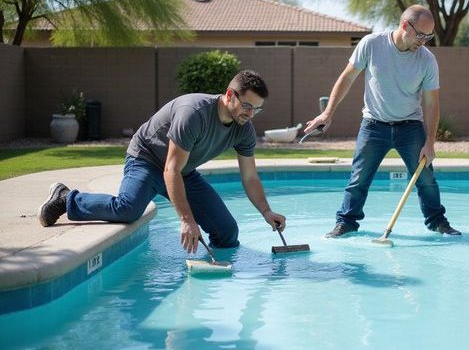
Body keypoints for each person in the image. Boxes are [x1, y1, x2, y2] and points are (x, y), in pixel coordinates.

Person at [37, 70, 286, 254]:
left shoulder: (244, 128)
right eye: (246, 106)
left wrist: (266, 211)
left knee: (227, 231)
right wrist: (187, 220)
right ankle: (66, 198)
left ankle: (216, 270)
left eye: (256, 109)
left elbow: (250, 176)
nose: (250, 114)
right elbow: (170, 169)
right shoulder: (195, 113)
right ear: (230, 95)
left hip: (183, 170)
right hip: (146, 159)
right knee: (128, 209)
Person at [304, 4, 460, 238]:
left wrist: (430, 142)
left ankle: (438, 222)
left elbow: (431, 104)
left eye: (429, 36)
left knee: (426, 179)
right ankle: (346, 222)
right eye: (421, 35)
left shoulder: (427, 60)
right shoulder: (372, 44)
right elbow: (347, 78)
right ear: (405, 25)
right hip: (373, 125)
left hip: (410, 127)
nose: (424, 41)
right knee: (358, 179)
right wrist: (327, 113)